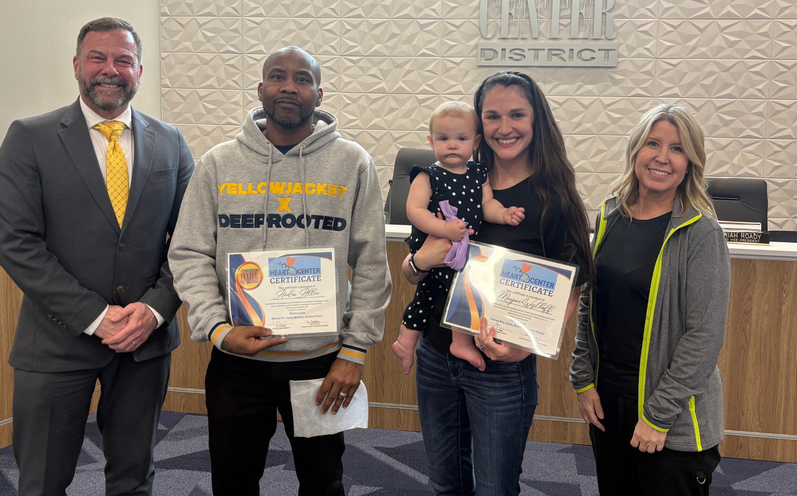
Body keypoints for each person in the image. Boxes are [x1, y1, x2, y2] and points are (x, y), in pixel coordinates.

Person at [167, 46, 392, 496]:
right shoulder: (218, 163)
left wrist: (354, 352)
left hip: (321, 364)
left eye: (302, 79)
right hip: (237, 361)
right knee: (233, 483)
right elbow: (188, 252)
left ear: (319, 94)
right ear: (261, 90)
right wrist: (215, 328)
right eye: (278, 76)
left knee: (323, 483)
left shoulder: (353, 163)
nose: (289, 86)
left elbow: (371, 261)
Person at [0, 17, 194, 495]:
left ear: (139, 71)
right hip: (56, 343)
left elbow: (190, 243)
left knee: (133, 478)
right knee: (42, 481)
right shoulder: (30, 138)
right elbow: (16, 243)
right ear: (77, 66)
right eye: (98, 58)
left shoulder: (171, 142)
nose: (110, 69)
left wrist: (154, 310)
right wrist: (96, 317)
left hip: (144, 343)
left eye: (123, 60)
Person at [404, 71, 595, 495]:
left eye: (517, 115)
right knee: (444, 483)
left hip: (502, 368)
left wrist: (529, 344)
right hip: (437, 354)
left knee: (495, 488)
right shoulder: (451, 176)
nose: (504, 127)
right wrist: (418, 261)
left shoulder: (553, 197)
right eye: (492, 116)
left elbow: (573, 285)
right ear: (477, 126)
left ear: (536, 119)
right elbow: (411, 269)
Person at [569, 104, 730, 495]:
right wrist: (583, 378)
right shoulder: (610, 215)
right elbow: (592, 301)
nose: (662, 157)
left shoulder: (701, 233)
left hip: (669, 416)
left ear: (691, 162)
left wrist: (657, 417)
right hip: (609, 403)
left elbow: (704, 338)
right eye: (652, 143)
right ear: (635, 150)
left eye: (677, 149)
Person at [392, 101, 525, 374]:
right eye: (443, 138)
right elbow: (414, 211)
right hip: (438, 245)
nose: (452, 145)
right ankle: (407, 342)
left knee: (462, 294)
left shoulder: (478, 174)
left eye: (461, 138)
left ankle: (453, 342)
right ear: (431, 141)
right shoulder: (428, 175)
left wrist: (504, 215)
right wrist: (445, 230)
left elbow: (487, 205)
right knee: (427, 295)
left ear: (475, 142)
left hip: (464, 250)